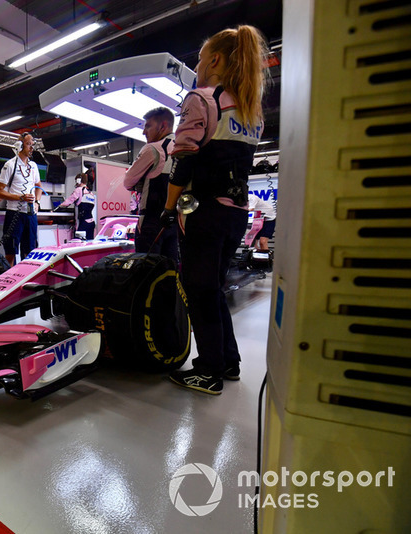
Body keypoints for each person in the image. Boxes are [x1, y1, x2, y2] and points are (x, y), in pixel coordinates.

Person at [161, 25, 268, 395]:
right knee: (213, 288)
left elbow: (184, 161)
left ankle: (208, 370)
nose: (198, 65)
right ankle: (228, 361)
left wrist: (168, 206)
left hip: (203, 211)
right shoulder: (250, 110)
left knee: (198, 288)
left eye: (201, 58)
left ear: (216, 59)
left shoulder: (201, 99)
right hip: (236, 213)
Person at [123, 107, 178, 261]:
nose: (143, 132)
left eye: (148, 126)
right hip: (175, 222)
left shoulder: (153, 149)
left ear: (163, 126)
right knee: (170, 269)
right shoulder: (184, 148)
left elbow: (128, 182)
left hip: (151, 222)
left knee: (146, 271)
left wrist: (139, 183)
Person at [0, 132, 41, 265]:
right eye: (28, 144)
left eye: (32, 145)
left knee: (30, 251)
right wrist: (20, 197)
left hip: (31, 215)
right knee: (11, 252)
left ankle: (26, 281)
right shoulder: (10, 165)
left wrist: (36, 201)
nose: (31, 148)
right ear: (19, 146)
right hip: (14, 213)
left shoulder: (34, 166)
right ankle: (10, 281)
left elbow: (38, 186)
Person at [59, 173, 96, 239]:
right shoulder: (91, 193)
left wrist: (57, 208)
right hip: (91, 222)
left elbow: (67, 202)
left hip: (82, 223)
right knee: (89, 244)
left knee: (78, 244)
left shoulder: (78, 190)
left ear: (78, 180)